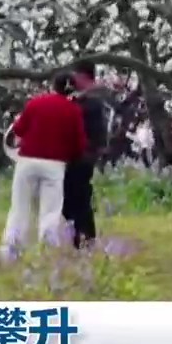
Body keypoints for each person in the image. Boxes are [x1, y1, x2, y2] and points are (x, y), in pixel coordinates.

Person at [0, 71, 87, 255]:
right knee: (50, 210)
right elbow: (79, 144)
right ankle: (47, 248)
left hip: (28, 161)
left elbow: (19, 129)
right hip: (55, 165)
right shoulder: (74, 110)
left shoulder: (36, 103)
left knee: (20, 205)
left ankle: (11, 246)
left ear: (53, 86)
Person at [65, 60, 108, 248]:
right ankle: (81, 237)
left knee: (78, 197)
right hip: (84, 154)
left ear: (82, 76)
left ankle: (84, 238)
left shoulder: (91, 100)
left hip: (82, 155)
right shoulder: (90, 98)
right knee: (76, 197)